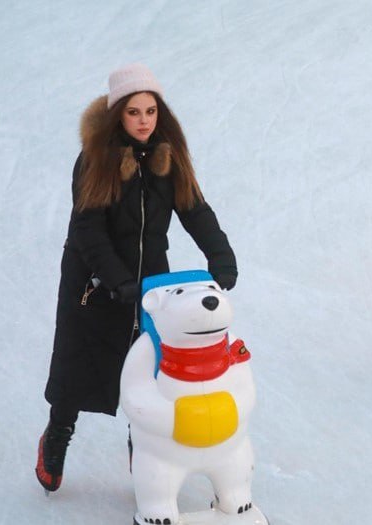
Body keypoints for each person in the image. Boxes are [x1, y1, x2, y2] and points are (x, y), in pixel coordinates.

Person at [36, 63, 238, 492]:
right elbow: (86, 228)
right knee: (78, 366)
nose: (144, 120)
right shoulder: (96, 158)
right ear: (117, 115)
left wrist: (220, 254)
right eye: (133, 112)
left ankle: (142, 448)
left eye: (151, 111)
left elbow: (194, 209)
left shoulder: (169, 155)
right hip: (93, 280)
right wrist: (114, 278)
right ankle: (57, 436)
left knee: (147, 373)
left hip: (149, 284)